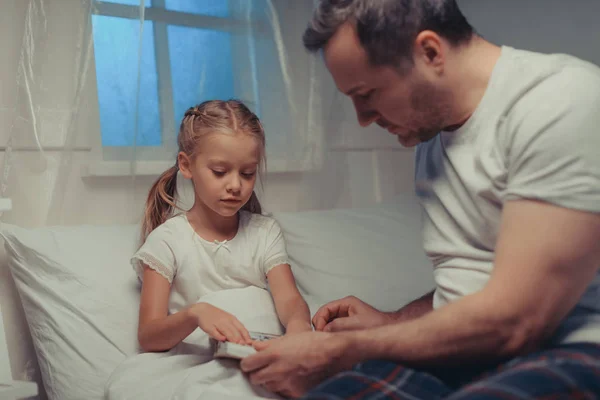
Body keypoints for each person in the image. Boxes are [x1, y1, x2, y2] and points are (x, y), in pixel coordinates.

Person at [240, 0, 600, 398]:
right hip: (462, 353)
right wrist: (391, 322)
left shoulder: (559, 102)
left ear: (429, 52)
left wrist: (340, 349)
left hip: (568, 351)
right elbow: (471, 281)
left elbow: (516, 321)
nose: (362, 118)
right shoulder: (431, 138)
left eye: (367, 93)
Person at [134, 99, 312, 354]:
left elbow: (290, 300)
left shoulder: (265, 233)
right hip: (199, 362)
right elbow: (149, 336)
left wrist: (299, 329)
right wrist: (195, 314)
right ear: (186, 165)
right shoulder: (167, 241)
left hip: (262, 354)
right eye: (220, 171)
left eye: (248, 173)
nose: (236, 185)